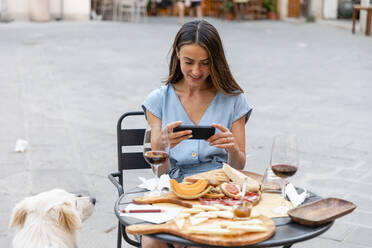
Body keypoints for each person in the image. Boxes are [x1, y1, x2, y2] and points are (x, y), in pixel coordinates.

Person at [141, 19, 252, 248]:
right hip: (175, 187)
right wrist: (161, 146)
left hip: (219, 189)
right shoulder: (158, 100)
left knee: (197, 238)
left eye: (205, 63)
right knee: (152, 240)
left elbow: (239, 166)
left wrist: (231, 149)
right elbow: (160, 171)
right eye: (188, 62)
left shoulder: (233, 99)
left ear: (216, 61)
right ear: (177, 55)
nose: (196, 71)